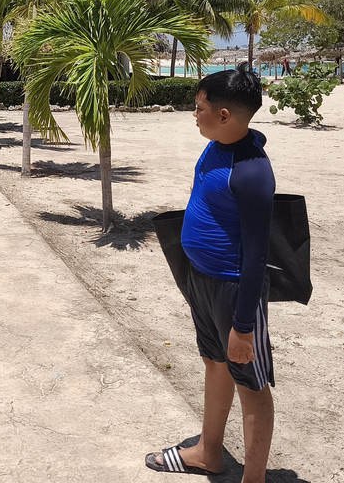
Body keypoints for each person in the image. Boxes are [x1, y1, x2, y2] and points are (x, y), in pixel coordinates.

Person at [146, 69, 276, 480]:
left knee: (250, 382)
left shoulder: (252, 173)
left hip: (234, 290)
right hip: (200, 277)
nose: (194, 114)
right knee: (215, 362)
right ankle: (208, 451)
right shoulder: (219, 143)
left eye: (199, 108)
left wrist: (243, 326)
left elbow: (257, 255)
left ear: (223, 115)